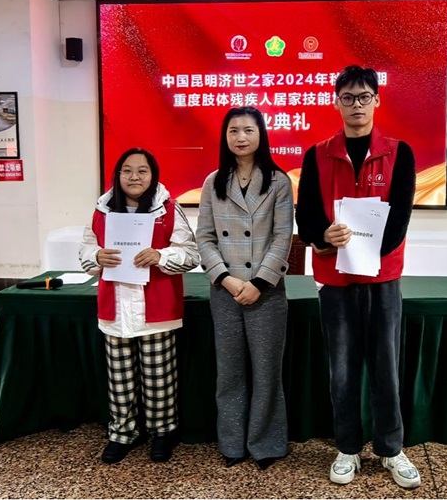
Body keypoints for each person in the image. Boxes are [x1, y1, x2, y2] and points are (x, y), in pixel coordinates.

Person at [295, 65, 419, 488]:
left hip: (382, 279)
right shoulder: (317, 154)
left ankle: (391, 449)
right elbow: (307, 216)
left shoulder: (400, 153)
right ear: (336, 103)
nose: (356, 105)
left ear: (377, 100)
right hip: (335, 282)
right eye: (347, 98)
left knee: (386, 368)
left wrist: (363, 254)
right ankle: (347, 448)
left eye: (364, 97)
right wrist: (322, 236)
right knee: (342, 371)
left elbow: (398, 220)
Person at [79, 147, 200, 464]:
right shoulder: (102, 210)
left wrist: (161, 256)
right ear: (118, 175)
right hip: (115, 307)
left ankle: (163, 432)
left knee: (159, 379)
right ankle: (123, 432)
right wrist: (97, 257)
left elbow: (191, 254)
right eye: (127, 170)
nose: (134, 177)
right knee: (120, 380)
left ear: (153, 175)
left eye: (142, 171)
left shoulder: (168, 209)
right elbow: (86, 250)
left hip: (157, 307)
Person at [196, 106, 294, 470]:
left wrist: (258, 282)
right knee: (230, 371)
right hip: (225, 289)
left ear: (261, 135)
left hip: (266, 291)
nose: (240, 137)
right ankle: (232, 443)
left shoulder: (279, 181)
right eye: (233, 130)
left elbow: (283, 237)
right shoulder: (213, 182)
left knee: (267, 372)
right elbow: (204, 237)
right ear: (225, 136)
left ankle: (266, 444)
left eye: (248, 130)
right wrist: (225, 278)